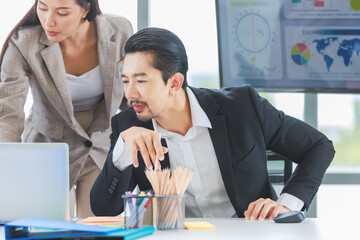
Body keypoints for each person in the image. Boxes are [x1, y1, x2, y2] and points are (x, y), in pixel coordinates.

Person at [90, 28, 335, 220]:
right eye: (125, 81)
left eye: (141, 81)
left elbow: (318, 146)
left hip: (252, 233)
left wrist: (285, 205)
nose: (130, 93)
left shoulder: (242, 107)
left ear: (174, 83)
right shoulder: (129, 127)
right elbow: (103, 209)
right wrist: (121, 152)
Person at [0, 0, 133, 217]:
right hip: (47, 148)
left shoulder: (119, 31)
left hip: (99, 145)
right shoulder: (24, 43)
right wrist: (8, 165)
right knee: (44, 228)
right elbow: (7, 111)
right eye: (42, 8)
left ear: (86, 9)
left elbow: (132, 93)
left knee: (97, 226)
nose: (48, 21)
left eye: (62, 12)